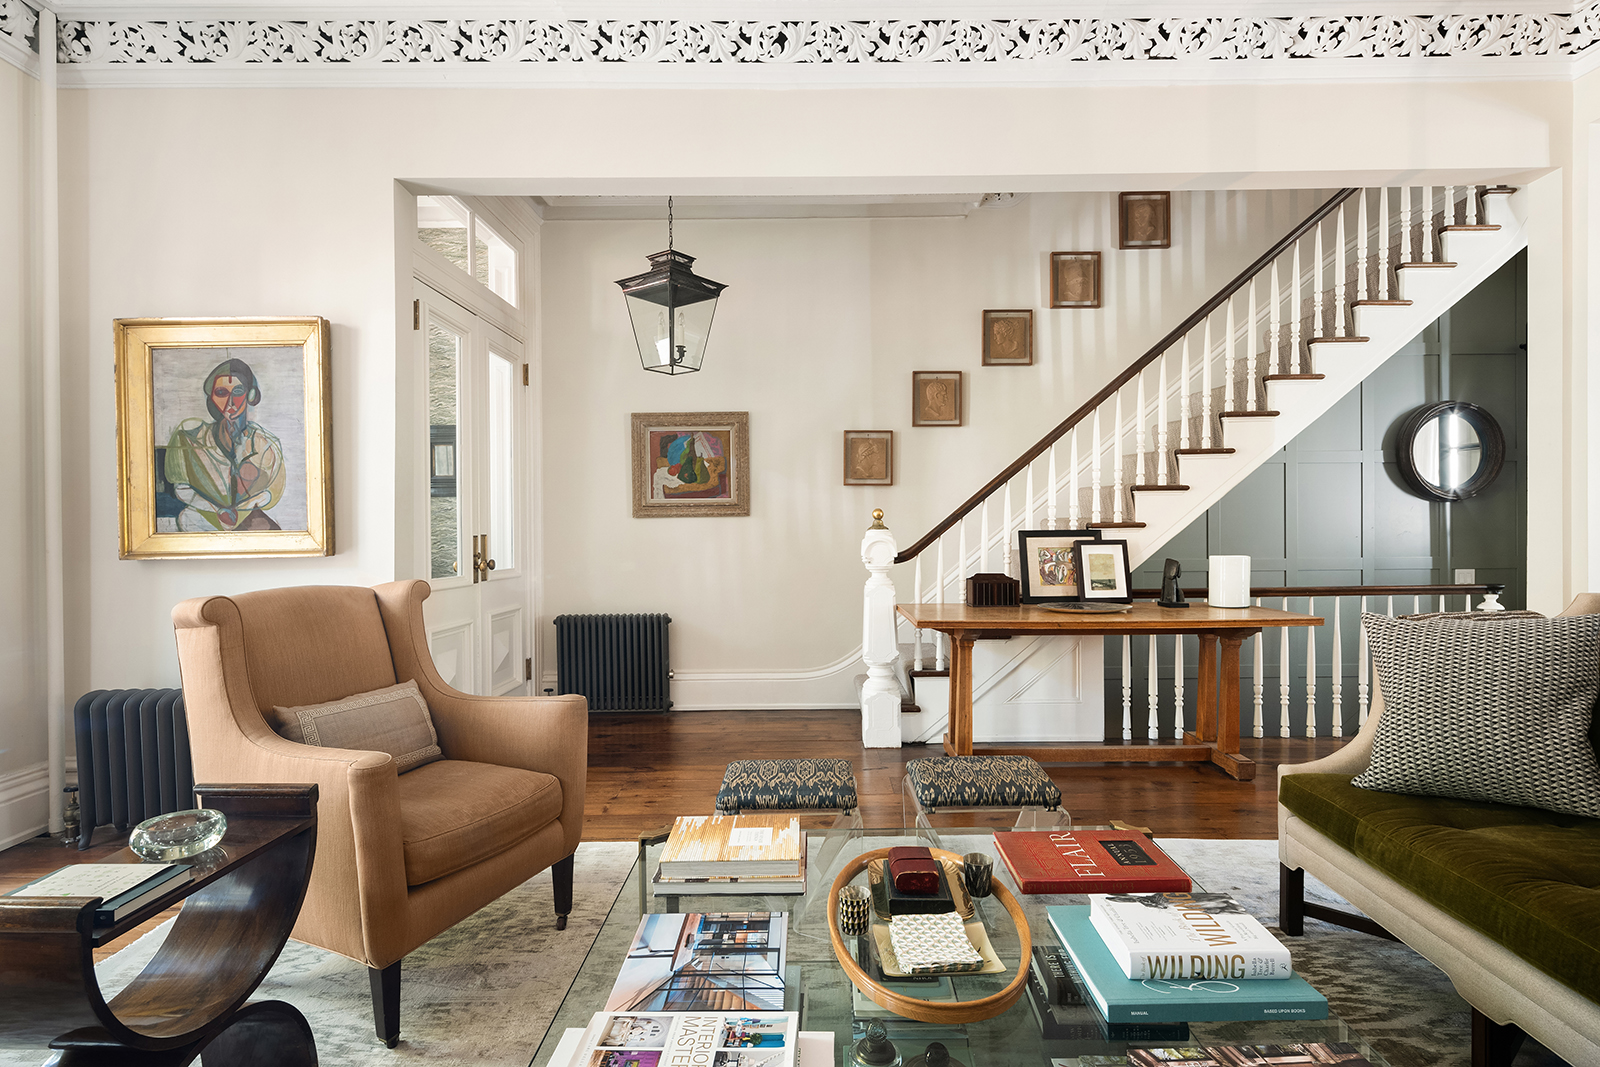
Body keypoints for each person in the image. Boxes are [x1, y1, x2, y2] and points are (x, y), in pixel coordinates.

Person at [164, 357, 286, 532]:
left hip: (248, 518)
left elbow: (271, 493)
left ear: (250, 395)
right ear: (212, 397)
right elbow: (180, 487)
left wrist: (242, 508)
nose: (230, 402)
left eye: (238, 392)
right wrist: (217, 510)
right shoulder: (189, 439)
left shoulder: (265, 444)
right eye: (221, 392)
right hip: (202, 516)